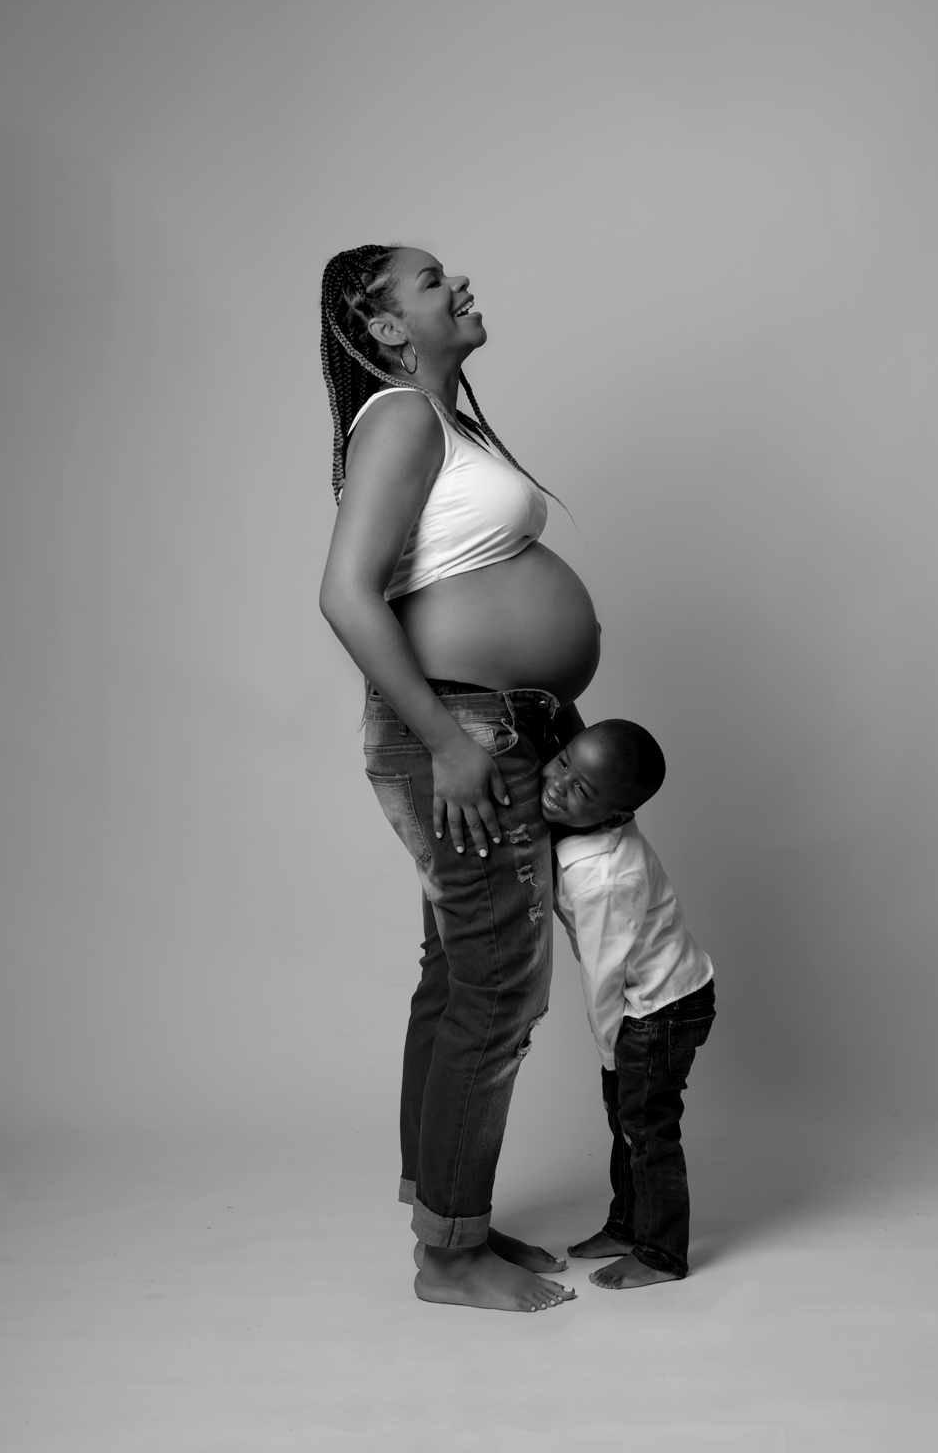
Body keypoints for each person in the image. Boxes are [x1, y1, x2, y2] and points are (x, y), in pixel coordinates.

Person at [318, 244, 600, 1312]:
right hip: (456, 728)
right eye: (433, 281)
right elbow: (347, 594)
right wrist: (449, 739)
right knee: (497, 981)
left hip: (491, 724)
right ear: (384, 325)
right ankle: (449, 1255)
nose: (461, 285)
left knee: (457, 973)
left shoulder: (441, 420)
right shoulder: (398, 417)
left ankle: (448, 1213)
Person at [541, 719, 716, 1288]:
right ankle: (625, 1225)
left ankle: (662, 1253)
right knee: (626, 1123)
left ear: (616, 815)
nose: (559, 784)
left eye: (583, 790)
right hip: (649, 998)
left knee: (646, 1128)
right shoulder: (584, 832)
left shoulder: (605, 878)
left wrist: (611, 1052)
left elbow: (603, 975)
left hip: (659, 1009)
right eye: (563, 761)